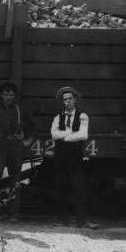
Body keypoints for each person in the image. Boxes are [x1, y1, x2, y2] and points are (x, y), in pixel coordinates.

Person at [0, 81, 34, 221]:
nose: (8, 97)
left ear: (15, 96)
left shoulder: (20, 109)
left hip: (16, 147)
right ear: (1, 95)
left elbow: (33, 126)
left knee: (15, 181)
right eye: (6, 94)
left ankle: (13, 215)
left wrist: (27, 140)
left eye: (11, 94)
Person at [50, 86, 98, 229]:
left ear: (75, 100)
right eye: (65, 99)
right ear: (62, 102)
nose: (68, 101)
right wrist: (71, 133)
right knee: (61, 187)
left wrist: (64, 136)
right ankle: (62, 220)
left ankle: (83, 221)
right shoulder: (58, 117)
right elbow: (53, 134)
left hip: (75, 156)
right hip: (60, 157)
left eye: (70, 98)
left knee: (79, 188)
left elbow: (83, 134)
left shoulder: (83, 116)